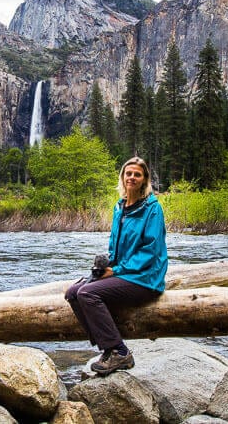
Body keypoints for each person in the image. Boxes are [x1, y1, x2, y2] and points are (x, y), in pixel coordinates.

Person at [64, 156, 168, 375]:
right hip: (125, 272)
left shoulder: (152, 209)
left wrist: (116, 270)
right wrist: (105, 267)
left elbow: (150, 252)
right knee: (73, 292)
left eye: (137, 174)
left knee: (88, 294)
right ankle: (108, 349)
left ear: (144, 180)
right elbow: (115, 248)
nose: (132, 177)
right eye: (128, 173)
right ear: (122, 177)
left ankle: (119, 351)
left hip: (145, 277)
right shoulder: (120, 208)